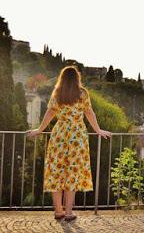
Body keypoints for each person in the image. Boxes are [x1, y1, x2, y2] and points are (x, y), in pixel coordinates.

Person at [27, 66, 111, 221]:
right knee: (72, 173)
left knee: (56, 172)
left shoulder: (57, 93)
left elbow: (50, 113)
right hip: (77, 136)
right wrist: (98, 130)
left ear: (62, 78)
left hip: (59, 135)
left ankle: (58, 211)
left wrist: (39, 129)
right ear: (77, 78)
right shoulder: (82, 93)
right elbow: (89, 112)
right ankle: (69, 212)